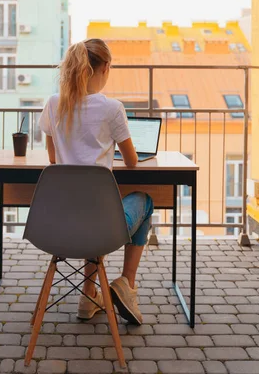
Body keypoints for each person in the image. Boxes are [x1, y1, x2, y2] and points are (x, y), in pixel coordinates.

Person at [38, 38, 154, 325]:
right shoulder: (112, 108)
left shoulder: (54, 104)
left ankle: (88, 296)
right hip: (103, 229)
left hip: (60, 226)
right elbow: (131, 161)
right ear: (103, 68)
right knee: (144, 200)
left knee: (86, 208)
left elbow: (52, 157)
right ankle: (127, 285)